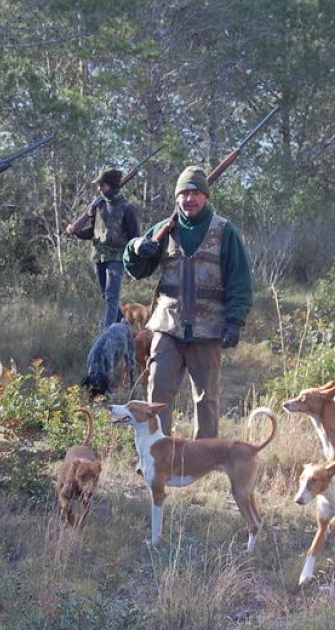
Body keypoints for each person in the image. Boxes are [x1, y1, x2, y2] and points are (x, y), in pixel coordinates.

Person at [123, 165, 253, 439]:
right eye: (183, 193)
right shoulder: (164, 229)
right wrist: (136, 249)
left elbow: (240, 279)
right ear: (177, 197)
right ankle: (156, 453)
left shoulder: (224, 231)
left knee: (207, 398)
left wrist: (235, 321)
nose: (189, 199)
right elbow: (137, 270)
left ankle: (205, 456)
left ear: (206, 196)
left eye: (195, 193)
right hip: (167, 327)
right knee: (158, 393)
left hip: (208, 330)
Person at [66, 168, 140, 328]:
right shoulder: (99, 206)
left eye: (102, 185)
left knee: (111, 298)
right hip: (99, 258)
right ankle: (125, 329)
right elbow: (92, 232)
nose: (99, 189)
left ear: (112, 185)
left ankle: (105, 334)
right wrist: (77, 231)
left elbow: (135, 238)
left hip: (117, 259)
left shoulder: (127, 208)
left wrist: (134, 262)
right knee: (107, 298)